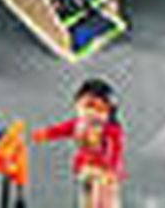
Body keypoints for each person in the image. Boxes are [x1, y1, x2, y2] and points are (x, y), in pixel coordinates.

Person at [34, 78, 125, 208]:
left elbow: (115, 149)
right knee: (85, 197)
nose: (92, 113)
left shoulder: (110, 130)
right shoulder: (79, 124)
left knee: (103, 200)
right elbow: (62, 129)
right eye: (87, 106)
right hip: (86, 168)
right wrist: (46, 134)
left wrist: (111, 169)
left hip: (103, 172)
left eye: (99, 109)